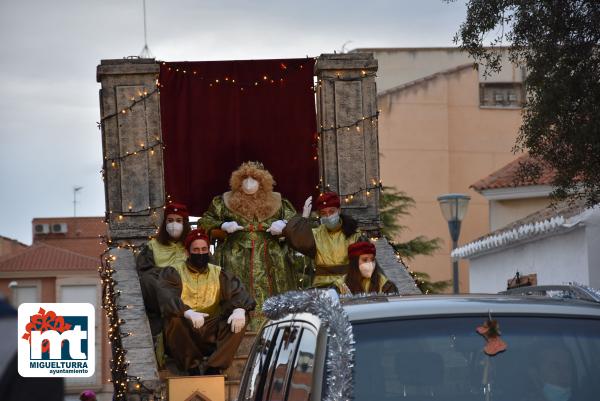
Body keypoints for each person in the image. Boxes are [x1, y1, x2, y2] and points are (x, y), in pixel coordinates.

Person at [199, 161, 298, 314]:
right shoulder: (223, 201)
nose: (249, 183)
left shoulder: (279, 202)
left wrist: (284, 224)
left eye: (254, 179)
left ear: (263, 181)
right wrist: (222, 225)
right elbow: (205, 221)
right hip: (235, 254)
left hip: (271, 255)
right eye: (245, 178)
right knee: (236, 288)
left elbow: (296, 222)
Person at [157, 229, 256, 375]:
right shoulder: (173, 272)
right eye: (196, 249)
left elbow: (239, 293)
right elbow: (167, 296)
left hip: (211, 330)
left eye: (204, 249)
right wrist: (187, 312)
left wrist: (240, 310)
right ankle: (191, 366)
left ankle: (214, 367)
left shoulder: (219, 272)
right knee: (173, 319)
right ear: (187, 252)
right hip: (186, 332)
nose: (200, 253)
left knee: (241, 317)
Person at [283, 191, 362, 288]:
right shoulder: (316, 235)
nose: (328, 216)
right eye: (324, 213)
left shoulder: (354, 234)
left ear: (339, 210)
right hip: (322, 288)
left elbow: (366, 262)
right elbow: (298, 241)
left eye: (331, 211)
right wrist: (304, 217)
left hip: (349, 286)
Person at [136, 202, 191, 337]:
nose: (174, 224)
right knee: (147, 280)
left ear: (185, 223)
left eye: (178, 220)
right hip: (162, 291)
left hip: (189, 288)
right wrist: (167, 274)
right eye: (170, 220)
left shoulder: (194, 244)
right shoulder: (152, 246)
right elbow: (145, 272)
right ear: (165, 223)